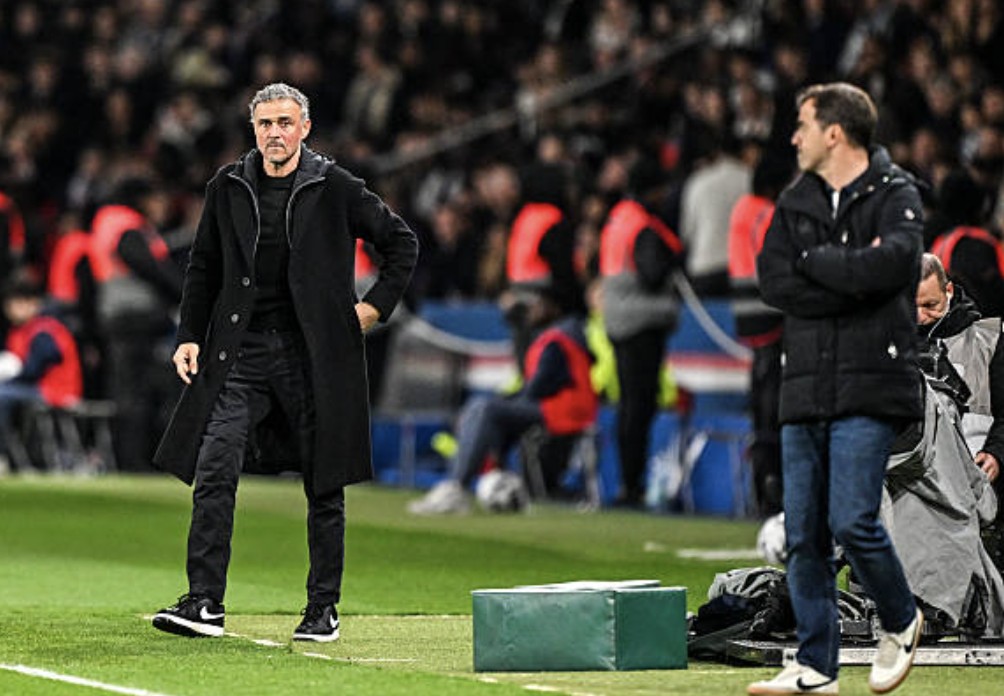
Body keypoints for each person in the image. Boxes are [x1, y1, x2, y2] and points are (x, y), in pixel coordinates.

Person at [150, 83, 418, 641]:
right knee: (214, 470)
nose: (275, 133)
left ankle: (323, 608)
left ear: (305, 128)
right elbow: (203, 267)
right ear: (254, 129)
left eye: (285, 123)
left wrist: (372, 310)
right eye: (265, 123)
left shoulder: (336, 186)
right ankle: (204, 602)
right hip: (240, 353)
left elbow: (401, 243)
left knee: (324, 484)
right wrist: (189, 335)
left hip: (311, 356)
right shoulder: (227, 186)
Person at [749, 82, 924, 695]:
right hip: (804, 383)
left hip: (870, 383)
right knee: (804, 534)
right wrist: (853, 281)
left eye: (802, 124)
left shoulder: (896, 192)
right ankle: (816, 665)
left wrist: (816, 264)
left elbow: (893, 265)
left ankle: (900, 618)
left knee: (852, 520)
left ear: (834, 132)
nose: (793, 137)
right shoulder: (795, 199)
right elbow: (773, 280)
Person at [408, 290, 597, 514]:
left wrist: (505, 402)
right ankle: (488, 478)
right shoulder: (565, 335)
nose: (531, 310)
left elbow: (538, 387)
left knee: (486, 408)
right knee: (487, 409)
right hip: (570, 409)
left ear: (553, 308)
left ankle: (458, 486)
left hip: (565, 411)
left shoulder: (556, 341)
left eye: (537, 304)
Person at [916, 252, 1004, 564]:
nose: (921, 317)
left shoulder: (989, 340)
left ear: (949, 291)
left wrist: (996, 453)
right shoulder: (886, 345)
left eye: (930, 305)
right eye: (912, 306)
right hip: (910, 487)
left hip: (977, 487)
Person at [598, 188, 683, 508]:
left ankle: (626, 483)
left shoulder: (616, 221)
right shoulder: (643, 227)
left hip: (617, 318)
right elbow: (652, 273)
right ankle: (633, 484)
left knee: (628, 405)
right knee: (640, 406)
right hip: (643, 322)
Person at [727, 153, 793, 517]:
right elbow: (777, 262)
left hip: (743, 312)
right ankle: (771, 482)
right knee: (773, 399)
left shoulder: (741, 209)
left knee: (760, 393)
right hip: (768, 312)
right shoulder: (766, 214)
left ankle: (760, 482)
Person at [0, 273, 83, 471]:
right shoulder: (21, 331)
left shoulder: (44, 330)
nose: (13, 309)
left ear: (34, 303)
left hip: (55, 390)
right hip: (38, 389)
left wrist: (10, 377)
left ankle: (5, 455)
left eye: (19, 303)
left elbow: (34, 369)